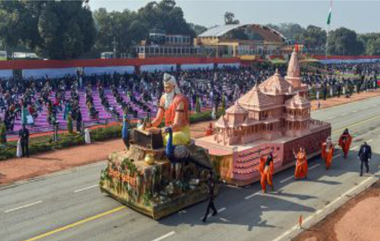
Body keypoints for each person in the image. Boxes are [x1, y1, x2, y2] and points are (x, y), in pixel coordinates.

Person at [147, 73, 190, 146]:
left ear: (174, 86)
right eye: (164, 87)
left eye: (168, 87)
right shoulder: (163, 98)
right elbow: (158, 119)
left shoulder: (180, 100)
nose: (165, 90)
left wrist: (160, 131)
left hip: (180, 131)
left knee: (174, 137)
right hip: (167, 130)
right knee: (146, 131)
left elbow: (177, 125)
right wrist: (149, 125)